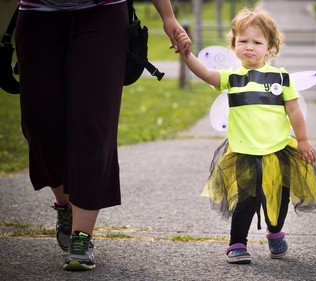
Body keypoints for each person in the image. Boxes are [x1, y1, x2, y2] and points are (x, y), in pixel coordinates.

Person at [15, 0, 191, 271]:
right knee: (39, 123)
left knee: (93, 125)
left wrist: (168, 16)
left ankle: (81, 237)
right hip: (37, 16)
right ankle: (65, 206)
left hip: (103, 14)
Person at [174, 7, 316, 264]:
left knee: (278, 197)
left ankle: (275, 230)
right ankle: (237, 243)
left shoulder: (282, 77)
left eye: (257, 42)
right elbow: (205, 74)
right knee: (247, 198)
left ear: (270, 48)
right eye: (242, 41)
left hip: (278, 150)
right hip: (244, 152)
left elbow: (293, 110)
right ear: (233, 44)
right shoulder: (232, 77)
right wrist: (186, 55)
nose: (249, 47)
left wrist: (303, 140)